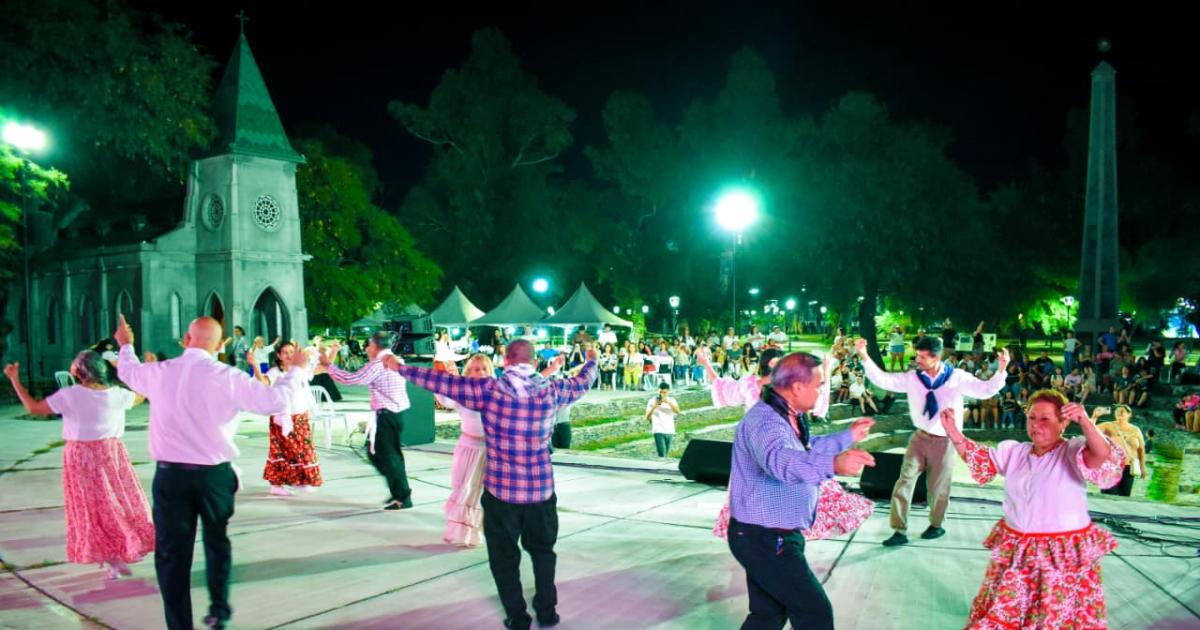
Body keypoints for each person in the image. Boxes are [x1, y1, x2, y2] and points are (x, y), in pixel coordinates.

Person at [379, 340, 594, 629]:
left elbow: (440, 381)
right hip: (540, 493)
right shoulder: (552, 390)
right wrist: (591, 359)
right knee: (543, 552)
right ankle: (547, 610)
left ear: (505, 360)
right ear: (532, 361)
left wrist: (400, 367)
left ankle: (517, 617)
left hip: (501, 495)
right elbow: (583, 381)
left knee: (504, 559)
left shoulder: (489, 390)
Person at [115, 314, 301, 630]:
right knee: (216, 542)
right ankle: (218, 610)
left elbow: (128, 371)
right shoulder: (228, 376)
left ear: (187, 340)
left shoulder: (160, 372)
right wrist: (295, 368)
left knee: (172, 555)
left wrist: (125, 345)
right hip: (214, 475)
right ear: (219, 345)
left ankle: (179, 625)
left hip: (171, 476)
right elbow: (276, 401)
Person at [938, 392, 1124, 629]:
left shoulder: (1071, 451)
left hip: (1060, 553)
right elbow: (981, 459)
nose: (1036, 424)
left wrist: (1085, 421)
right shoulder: (1015, 452)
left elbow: (1101, 456)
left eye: (1045, 419)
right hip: (1019, 548)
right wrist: (953, 432)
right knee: (1006, 611)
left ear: (1063, 422)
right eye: (1031, 418)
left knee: (1053, 616)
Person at [727, 352, 876, 629]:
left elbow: (805, 447)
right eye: (819, 385)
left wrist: (847, 437)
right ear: (797, 387)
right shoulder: (766, 421)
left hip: (768, 535)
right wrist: (833, 464)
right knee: (814, 612)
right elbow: (782, 461)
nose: (821, 391)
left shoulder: (786, 415)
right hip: (765, 538)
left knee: (768, 615)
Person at [4, 352, 153, 581]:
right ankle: (123, 549)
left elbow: (34, 408)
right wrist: (145, 371)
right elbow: (140, 397)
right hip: (111, 453)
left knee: (92, 507)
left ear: (80, 373)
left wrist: (15, 380)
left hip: (81, 455)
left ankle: (113, 555)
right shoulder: (117, 395)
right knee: (118, 502)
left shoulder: (71, 395)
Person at [855, 336, 1008, 547]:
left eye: (921, 356)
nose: (916, 359)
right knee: (904, 481)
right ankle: (899, 529)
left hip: (944, 441)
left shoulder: (956, 377)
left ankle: (936, 525)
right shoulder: (913, 378)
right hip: (919, 437)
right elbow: (884, 380)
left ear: (935, 357)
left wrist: (1001, 370)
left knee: (938, 487)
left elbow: (984, 391)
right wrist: (864, 355)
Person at [321, 331, 413, 510]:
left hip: (387, 415)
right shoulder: (395, 359)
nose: (367, 348)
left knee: (388, 457)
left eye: (368, 345)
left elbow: (350, 379)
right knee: (380, 454)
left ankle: (402, 496)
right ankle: (399, 490)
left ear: (375, 345)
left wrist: (328, 365)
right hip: (393, 414)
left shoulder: (379, 364)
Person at [436, 353, 495, 547]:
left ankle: (474, 533)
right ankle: (458, 531)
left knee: (479, 494)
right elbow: (444, 398)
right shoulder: (462, 393)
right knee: (461, 488)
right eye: (476, 369)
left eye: (484, 369)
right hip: (467, 448)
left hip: (488, 452)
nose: (481, 373)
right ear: (469, 371)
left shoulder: (497, 392)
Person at [251, 341, 322, 497]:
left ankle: (300, 481)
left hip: (301, 416)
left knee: (303, 450)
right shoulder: (276, 372)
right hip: (282, 418)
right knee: (282, 452)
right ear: (279, 356)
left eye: (292, 352)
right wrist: (255, 365)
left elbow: (320, 368)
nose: (289, 355)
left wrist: (332, 353)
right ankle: (279, 485)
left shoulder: (299, 370)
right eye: (285, 353)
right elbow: (263, 382)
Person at [1097, 404, 1147, 497]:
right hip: (1112, 466)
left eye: (1122, 411)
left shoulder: (1136, 430)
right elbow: (1091, 430)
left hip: (1128, 467)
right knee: (1108, 495)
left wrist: (1142, 467)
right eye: (1117, 411)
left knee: (1125, 496)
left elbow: (1141, 449)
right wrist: (1095, 416)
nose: (1119, 413)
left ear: (1129, 414)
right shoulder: (1108, 425)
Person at [645, 382, 680, 457]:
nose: (662, 394)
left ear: (668, 392)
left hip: (669, 430)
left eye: (665, 392)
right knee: (662, 454)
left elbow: (677, 412)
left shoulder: (672, 400)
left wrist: (668, 402)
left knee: (666, 454)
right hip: (658, 430)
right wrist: (654, 407)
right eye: (661, 392)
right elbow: (647, 417)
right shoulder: (652, 401)